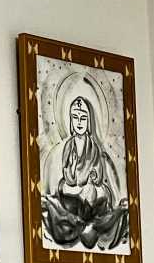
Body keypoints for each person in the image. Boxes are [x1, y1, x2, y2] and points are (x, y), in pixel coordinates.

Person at [41, 96, 128, 250]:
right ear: (70, 121)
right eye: (75, 117)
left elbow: (99, 175)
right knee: (65, 189)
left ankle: (92, 222)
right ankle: (78, 219)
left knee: (96, 191)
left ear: (89, 122)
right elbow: (66, 172)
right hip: (72, 191)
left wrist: (93, 178)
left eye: (83, 118)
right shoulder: (69, 146)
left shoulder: (94, 147)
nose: (79, 122)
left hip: (89, 192)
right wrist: (73, 178)